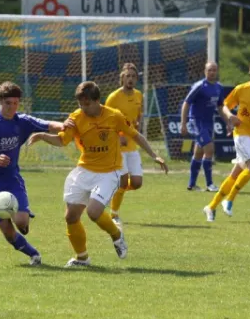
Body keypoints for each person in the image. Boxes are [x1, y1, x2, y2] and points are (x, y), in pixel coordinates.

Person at [28, 81, 168, 267]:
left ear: (97, 101)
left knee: (94, 212)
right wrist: (42, 136)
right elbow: (63, 141)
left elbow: (135, 135)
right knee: (70, 216)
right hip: (85, 170)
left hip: (109, 172)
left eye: (87, 104)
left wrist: (154, 155)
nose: (83, 108)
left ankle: (116, 235)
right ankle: (82, 258)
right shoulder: (76, 118)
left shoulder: (114, 116)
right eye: (80, 104)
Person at [0, 81, 72, 266]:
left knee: (22, 222)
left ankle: (22, 220)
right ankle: (34, 254)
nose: (12, 107)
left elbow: (48, 125)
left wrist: (66, 125)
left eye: (16, 103)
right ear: (0, 102)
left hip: (11, 179)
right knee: (9, 233)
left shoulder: (22, 121)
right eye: (8, 103)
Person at [203, 57, 250, 222]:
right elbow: (223, 105)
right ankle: (229, 200)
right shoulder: (241, 89)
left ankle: (211, 206)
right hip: (241, 133)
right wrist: (230, 118)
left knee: (236, 173)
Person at [104, 63, 144, 226]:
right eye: (127, 76)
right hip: (118, 146)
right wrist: (118, 135)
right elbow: (105, 120)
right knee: (123, 180)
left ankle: (112, 193)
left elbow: (138, 115)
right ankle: (114, 214)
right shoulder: (113, 97)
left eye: (133, 76)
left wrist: (137, 125)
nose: (130, 79)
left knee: (136, 183)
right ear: (122, 78)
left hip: (132, 146)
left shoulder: (139, 95)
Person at [181, 61, 224, 192]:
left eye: (214, 70)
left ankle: (192, 184)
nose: (212, 72)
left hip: (208, 123)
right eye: (209, 70)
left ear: (217, 71)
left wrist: (228, 122)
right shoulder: (199, 86)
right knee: (209, 149)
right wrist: (183, 123)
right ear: (205, 71)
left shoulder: (219, 87)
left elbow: (220, 107)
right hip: (197, 122)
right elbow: (186, 103)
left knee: (199, 153)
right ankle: (210, 184)